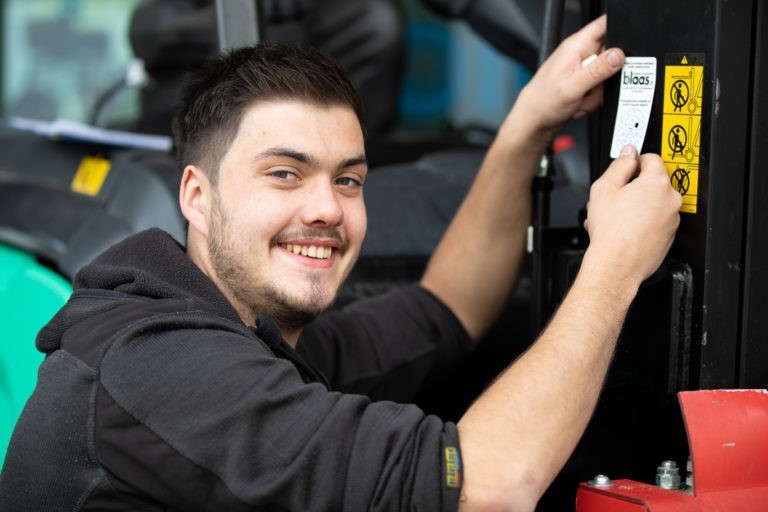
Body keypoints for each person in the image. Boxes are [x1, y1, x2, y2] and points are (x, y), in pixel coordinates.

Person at [0, 14, 681, 512]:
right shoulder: (161, 365)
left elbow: (450, 305)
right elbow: (492, 484)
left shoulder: (251, 335)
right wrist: (616, 263)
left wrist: (527, 122)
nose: (327, 208)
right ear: (197, 198)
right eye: (286, 174)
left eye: (348, 180)